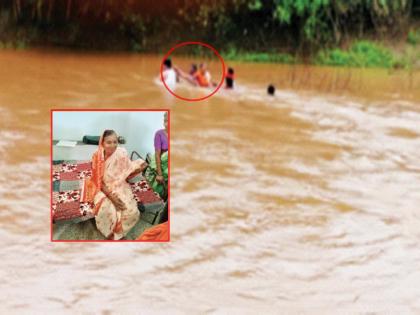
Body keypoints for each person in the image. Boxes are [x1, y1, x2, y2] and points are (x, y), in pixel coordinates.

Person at [81, 129, 147, 240]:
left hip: (119, 183)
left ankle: (119, 231)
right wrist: (112, 198)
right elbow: (98, 181)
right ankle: (111, 232)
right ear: (102, 143)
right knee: (108, 209)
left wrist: (137, 167)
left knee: (131, 211)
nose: (113, 145)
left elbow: (126, 168)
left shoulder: (121, 153)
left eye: (115, 142)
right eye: (109, 142)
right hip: (103, 186)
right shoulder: (97, 156)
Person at [145, 112, 168, 200]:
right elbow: (157, 154)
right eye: (165, 121)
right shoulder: (159, 134)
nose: (167, 123)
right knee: (157, 191)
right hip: (161, 165)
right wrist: (159, 174)